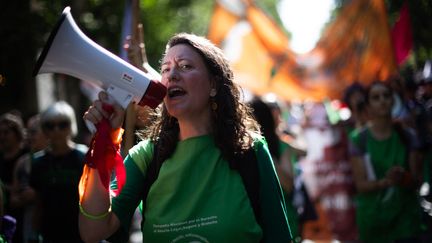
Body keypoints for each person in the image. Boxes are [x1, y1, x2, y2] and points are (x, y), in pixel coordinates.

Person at [79, 33, 292, 242]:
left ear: (214, 85)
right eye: (166, 69)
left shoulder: (251, 151)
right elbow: (93, 231)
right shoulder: (146, 157)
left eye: (185, 66)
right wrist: (105, 139)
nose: (172, 75)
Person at [349, 81, 423, 243]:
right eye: (375, 97)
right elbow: (360, 185)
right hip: (374, 222)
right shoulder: (359, 139)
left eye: (386, 95)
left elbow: (417, 180)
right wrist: (386, 182)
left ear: (393, 100)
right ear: (368, 105)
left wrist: (403, 177)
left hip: (406, 221)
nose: (382, 100)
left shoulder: (407, 135)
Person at [29, 101, 88, 242]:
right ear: (45, 130)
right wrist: (34, 233)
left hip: (80, 230)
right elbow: (38, 202)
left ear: (71, 126)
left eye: (62, 124)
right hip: (50, 231)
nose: (57, 130)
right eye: (50, 126)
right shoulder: (38, 162)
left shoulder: (83, 156)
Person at [249, 96, 301, 242]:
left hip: (284, 222)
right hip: (256, 224)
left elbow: (289, 185)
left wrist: (264, 154)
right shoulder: (240, 151)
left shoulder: (280, 146)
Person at [0, 112, 30, 243]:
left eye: (6, 132)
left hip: (25, 217)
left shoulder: (27, 158)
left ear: (17, 133)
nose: (2, 136)